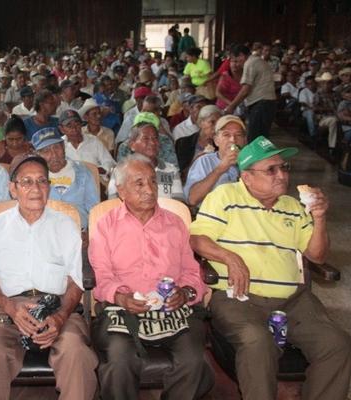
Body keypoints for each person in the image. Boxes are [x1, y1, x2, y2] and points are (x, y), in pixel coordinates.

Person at [190, 136, 351, 400]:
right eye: (271, 170)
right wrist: (230, 258)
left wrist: (319, 219)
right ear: (247, 176)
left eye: (284, 167)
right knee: (257, 342)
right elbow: (197, 239)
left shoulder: (293, 207)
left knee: (337, 344)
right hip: (238, 298)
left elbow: (317, 256)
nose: (281, 175)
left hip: (294, 301)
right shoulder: (225, 196)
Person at [0, 153, 98, 400]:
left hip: (57, 308)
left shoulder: (66, 225)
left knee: (76, 352)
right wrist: (11, 308)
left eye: (41, 181)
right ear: (13, 189)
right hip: (8, 311)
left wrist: (60, 318)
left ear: (49, 187)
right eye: (26, 182)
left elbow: (75, 281)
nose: (35, 188)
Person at [90, 154, 213, 400]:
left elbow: (191, 271)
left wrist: (186, 293)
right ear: (121, 191)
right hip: (123, 310)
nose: (149, 189)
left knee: (195, 361)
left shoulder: (175, 223)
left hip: (172, 311)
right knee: (119, 361)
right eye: (139, 183)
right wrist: (121, 297)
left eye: (153, 182)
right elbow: (101, 276)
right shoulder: (106, 226)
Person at [33, 127, 99, 230]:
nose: (54, 155)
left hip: (80, 231)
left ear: (63, 147)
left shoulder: (83, 172)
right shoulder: (32, 178)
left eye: (57, 148)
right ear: (37, 155)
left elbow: (94, 209)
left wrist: (90, 232)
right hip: (45, 234)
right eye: (46, 151)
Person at [109, 113, 184, 201]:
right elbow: (113, 204)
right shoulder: (119, 171)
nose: (152, 142)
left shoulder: (171, 170)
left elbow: (179, 205)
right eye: (145, 138)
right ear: (132, 144)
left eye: (155, 138)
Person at [184, 115, 247, 206]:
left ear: (245, 140)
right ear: (216, 140)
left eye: (238, 135)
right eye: (226, 135)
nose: (233, 140)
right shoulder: (204, 161)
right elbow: (192, 199)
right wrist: (220, 169)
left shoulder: (253, 162)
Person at [225, 45, 277, 141]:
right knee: (262, 138)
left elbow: (245, 89)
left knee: (254, 138)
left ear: (241, 55)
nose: (236, 64)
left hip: (260, 103)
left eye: (236, 60)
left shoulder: (250, 63)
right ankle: (261, 156)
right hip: (268, 103)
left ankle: (255, 156)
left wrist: (231, 106)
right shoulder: (258, 61)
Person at [59, 110, 116, 179]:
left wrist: (98, 170)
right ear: (61, 129)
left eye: (77, 124)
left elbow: (109, 162)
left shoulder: (94, 141)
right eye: (69, 126)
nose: (74, 129)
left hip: (96, 182)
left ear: (81, 125)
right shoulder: (58, 146)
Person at [175, 104, 222, 175]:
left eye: (219, 123)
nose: (216, 127)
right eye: (212, 122)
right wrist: (195, 161)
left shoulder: (221, 144)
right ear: (200, 123)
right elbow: (180, 175)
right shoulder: (184, 143)